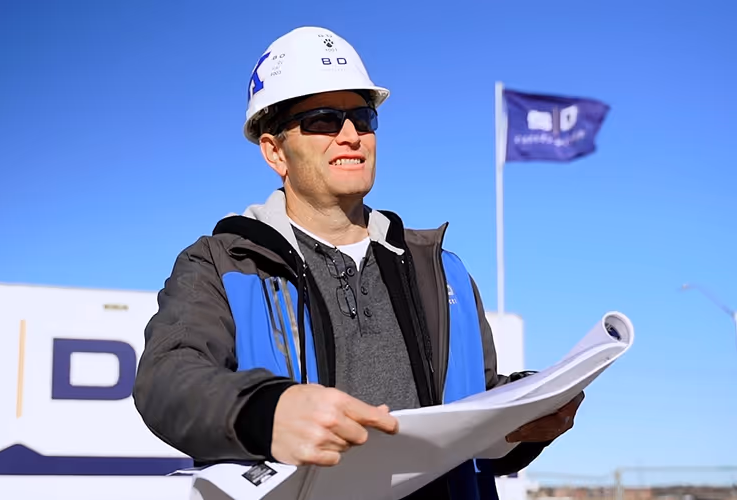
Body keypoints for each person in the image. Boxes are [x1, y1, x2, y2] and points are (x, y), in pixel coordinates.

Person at [132, 26, 585, 500]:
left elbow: (477, 421)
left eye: (361, 117)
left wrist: (529, 413)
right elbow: (167, 380)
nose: (350, 136)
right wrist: (267, 413)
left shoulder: (443, 270)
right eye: (323, 120)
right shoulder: (221, 264)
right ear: (274, 151)